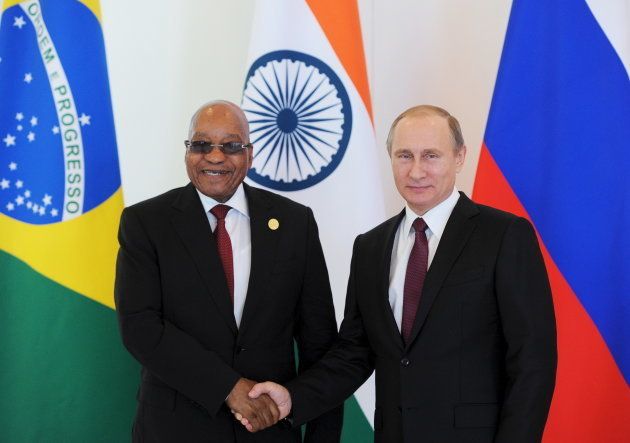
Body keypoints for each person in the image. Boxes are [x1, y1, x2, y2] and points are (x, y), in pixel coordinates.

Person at [241, 105, 557, 442]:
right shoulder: (370, 248)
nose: (416, 171)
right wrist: (294, 397)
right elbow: (354, 352)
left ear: (459, 157)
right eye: (404, 156)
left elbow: (532, 361)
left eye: (431, 156)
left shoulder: (504, 235)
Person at [114, 100, 342, 442]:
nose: (215, 157)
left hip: (270, 432)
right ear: (187, 152)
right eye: (201, 144)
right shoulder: (146, 223)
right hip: (175, 430)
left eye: (232, 146)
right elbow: (140, 328)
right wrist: (228, 388)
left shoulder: (296, 223)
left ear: (250, 154)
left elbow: (319, 343)